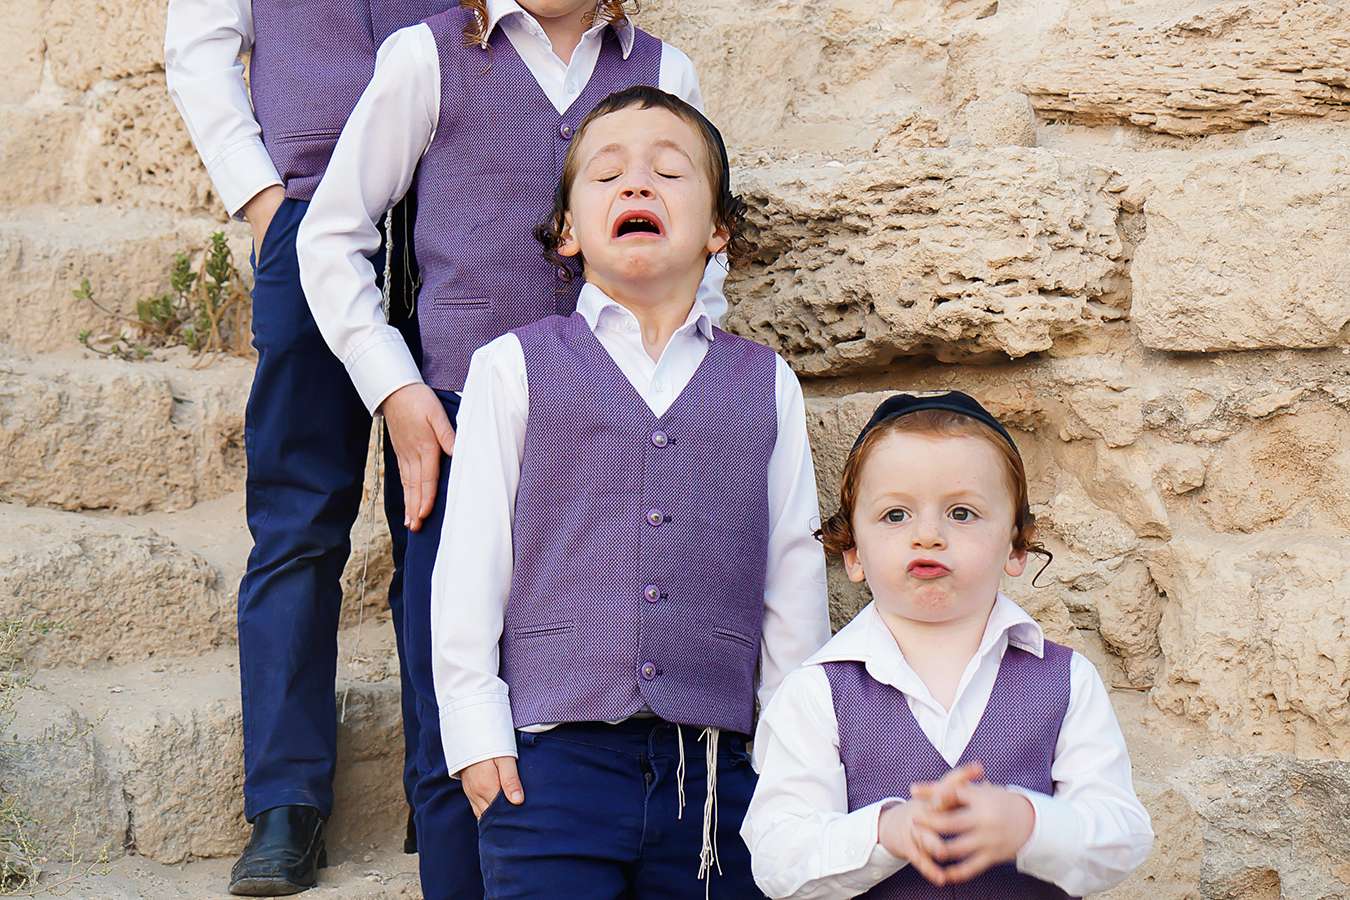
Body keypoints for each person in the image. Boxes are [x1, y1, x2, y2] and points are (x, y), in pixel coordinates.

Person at [295, 7, 722, 898]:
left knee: (599, 690)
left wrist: (679, 382)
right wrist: (396, 389)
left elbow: (699, 259)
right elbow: (331, 233)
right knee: (451, 710)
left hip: (624, 438)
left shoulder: (662, 70)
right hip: (455, 424)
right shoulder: (427, 57)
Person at [427, 86, 831, 900]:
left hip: (715, 775)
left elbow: (794, 577)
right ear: (568, 231)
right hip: (548, 766)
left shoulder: (766, 383)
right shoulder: (511, 368)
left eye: (669, 173)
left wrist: (793, 765)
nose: (638, 184)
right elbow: (469, 563)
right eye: (607, 175)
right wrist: (476, 735)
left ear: (718, 230)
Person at [163, 0, 441, 891]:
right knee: (296, 519)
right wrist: (264, 204)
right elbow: (199, 49)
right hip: (307, 211)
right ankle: (285, 802)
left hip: (449, 222)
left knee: (442, 514)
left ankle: (439, 785)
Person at [740, 391, 1154, 899]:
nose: (929, 535)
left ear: (1016, 546)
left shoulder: (1067, 681)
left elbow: (1123, 836)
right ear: (853, 553)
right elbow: (777, 857)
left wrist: (1031, 823)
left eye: (961, 512)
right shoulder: (815, 694)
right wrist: (885, 832)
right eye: (896, 515)